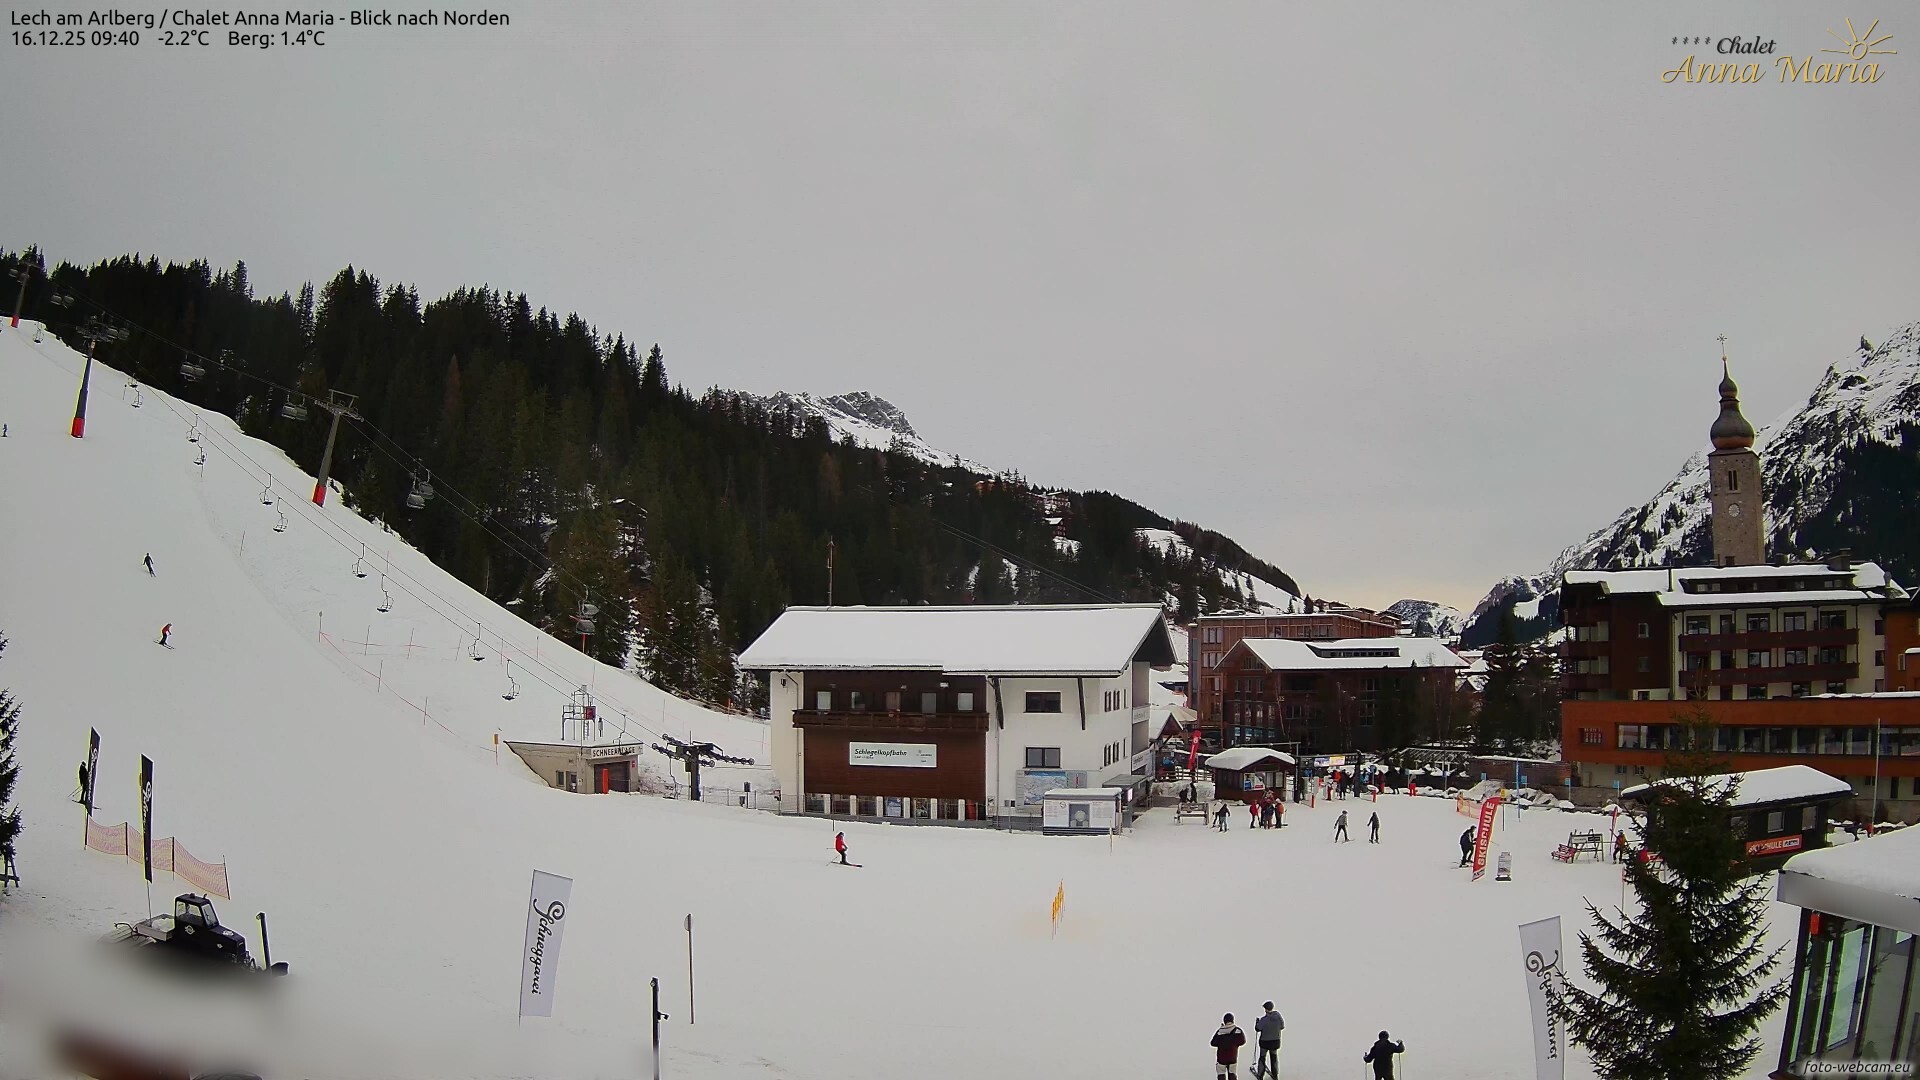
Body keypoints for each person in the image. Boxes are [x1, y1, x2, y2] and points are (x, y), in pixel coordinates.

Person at [1252, 1001, 1284, 1078]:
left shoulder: (1264, 1020)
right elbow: (1282, 1026)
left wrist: (1257, 1023)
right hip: (1275, 1041)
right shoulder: (1278, 1017)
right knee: (1274, 1057)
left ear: (1266, 1009)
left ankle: (1260, 1074)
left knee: (1262, 1058)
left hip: (1265, 1042)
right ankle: (1275, 1074)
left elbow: (1257, 1029)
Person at [1211, 1012, 1247, 1079]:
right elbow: (1243, 1041)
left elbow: (1213, 1043)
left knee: (1221, 1074)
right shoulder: (1238, 1030)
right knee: (1232, 1074)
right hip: (1233, 1057)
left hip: (1221, 1058)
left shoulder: (1220, 1031)